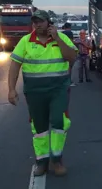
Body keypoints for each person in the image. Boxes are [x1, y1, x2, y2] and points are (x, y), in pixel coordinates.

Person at [7, 10, 78, 176]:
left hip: (58, 89)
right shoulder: (26, 41)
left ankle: (57, 160)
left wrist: (58, 39)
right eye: (35, 22)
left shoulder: (62, 38)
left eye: (40, 21)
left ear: (49, 23)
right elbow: (15, 65)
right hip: (34, 92)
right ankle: (42, 162)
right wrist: (11, 89)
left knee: (58, 121)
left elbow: (72, 58)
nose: (37, 25)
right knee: (39, 128)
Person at [61, 23, 76, 87]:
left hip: (62, 50)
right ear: (69, 27)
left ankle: (63, 81)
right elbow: (71, 42)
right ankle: (69, 81)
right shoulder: (70, 33)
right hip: (69, 51)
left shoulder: (61, 33)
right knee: (70, 67)